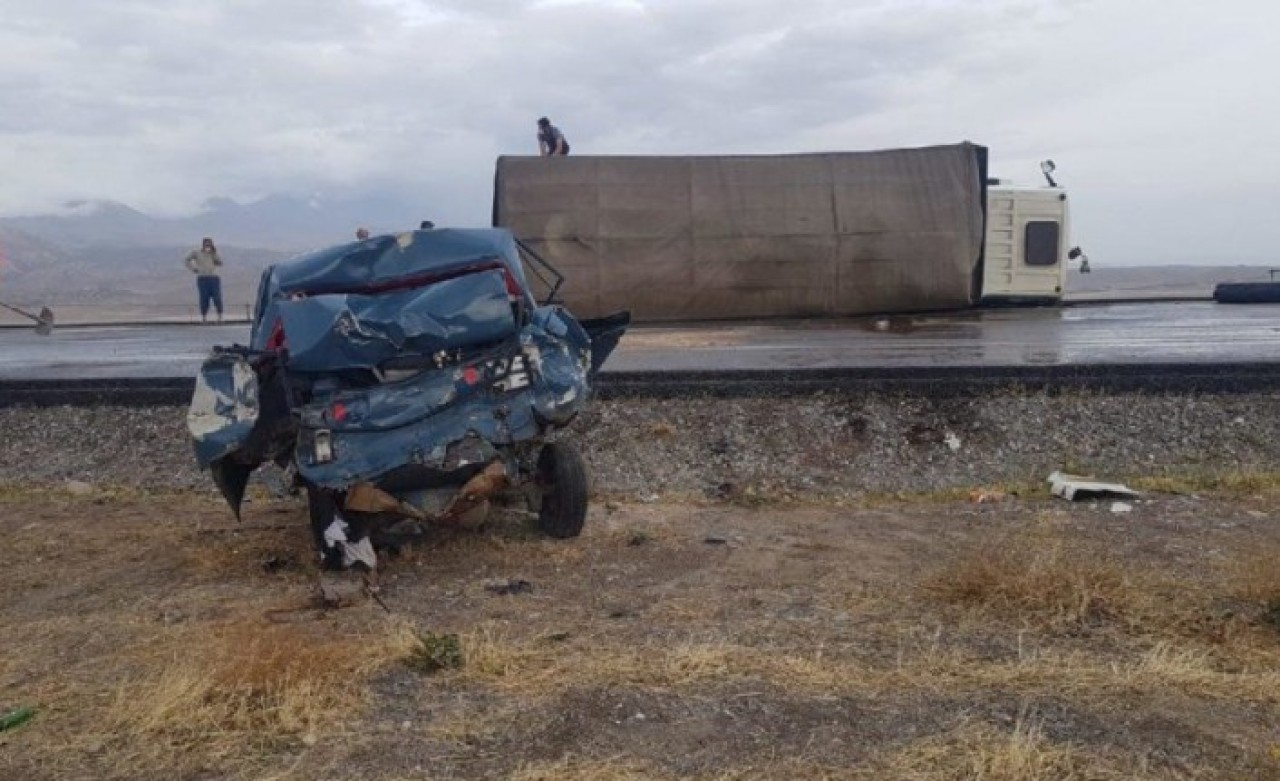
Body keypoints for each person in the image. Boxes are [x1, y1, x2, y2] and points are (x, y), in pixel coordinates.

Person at [183, 237, 224, 323]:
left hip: (213, 277)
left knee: (217, 297)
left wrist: (214, 253)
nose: (207, 246)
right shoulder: (197, 253)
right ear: (203, 245)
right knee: (204, 298)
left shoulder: (213, 254)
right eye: (206, 244)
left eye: (209, 244)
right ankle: (204, 316)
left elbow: (220, 263)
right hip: (202, 278)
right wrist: (193, 268)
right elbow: (186, 260)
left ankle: (220, 316)